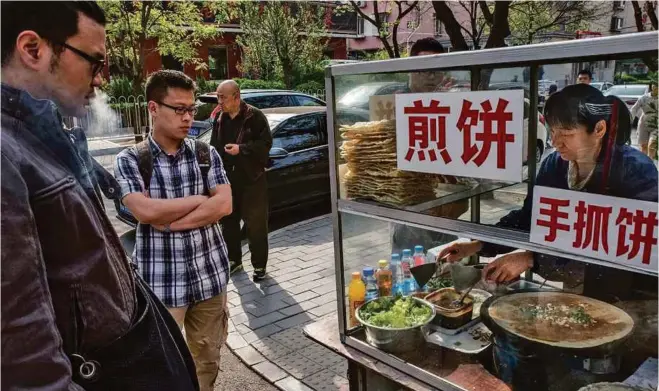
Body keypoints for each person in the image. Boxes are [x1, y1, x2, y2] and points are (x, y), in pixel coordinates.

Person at [1, 3, 198, 390]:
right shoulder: (7, 153)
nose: (101, 80)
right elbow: (24, 358)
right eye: (94, 62)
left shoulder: (42, 136)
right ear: (33, 49)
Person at [438, 84, 658, 301]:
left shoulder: (636, 171)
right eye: (552, 131)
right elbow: (531, 217)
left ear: (599, 129)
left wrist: (532, 258)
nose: (555, 142)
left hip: (630, 293)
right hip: (576, 284)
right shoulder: (554, 165)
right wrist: (479, 244)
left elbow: (630, 247)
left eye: (567, 134)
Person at [115, 70, 232, 391]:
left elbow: (223, 205)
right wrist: (198, 200)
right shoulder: (131, 160)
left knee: (207, 363)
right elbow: (144, 210)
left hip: (210, 279)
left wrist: (169, 220)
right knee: (158, 369)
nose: (188, 118)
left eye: (192, 109)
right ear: (153, 108)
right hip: (160, 284)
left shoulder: (206, 154)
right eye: (179, 109)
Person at [392, 38, 469, 254]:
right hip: (410, 206)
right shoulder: (395, 102)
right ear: (411, 70)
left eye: (435, 70)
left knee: (447, 266)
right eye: (423, 69)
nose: (430, 75)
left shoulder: (450, 105)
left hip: (446, 203)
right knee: (412, 269)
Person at [210, 80, 273, 281]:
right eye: (218, 97)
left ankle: (259, 266)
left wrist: (241, 149)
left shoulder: (254, 116)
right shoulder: (220, 118)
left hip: (252, 179)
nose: (219, 101)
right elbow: (213, 146)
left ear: (236, 96)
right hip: (228, 179)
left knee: (256, 225)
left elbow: (265, 144)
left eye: (222, 97)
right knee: (228, 222)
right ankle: (234, 260)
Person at [631, 81, 658, 159]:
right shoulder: (644, 98)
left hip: (656, 124)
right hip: (643, 123)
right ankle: (645, 165)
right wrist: (630, 121)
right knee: (643, 146)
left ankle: (651, 164)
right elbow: (634, 109)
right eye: (654, 85)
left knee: (652, 145)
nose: (656, 87)